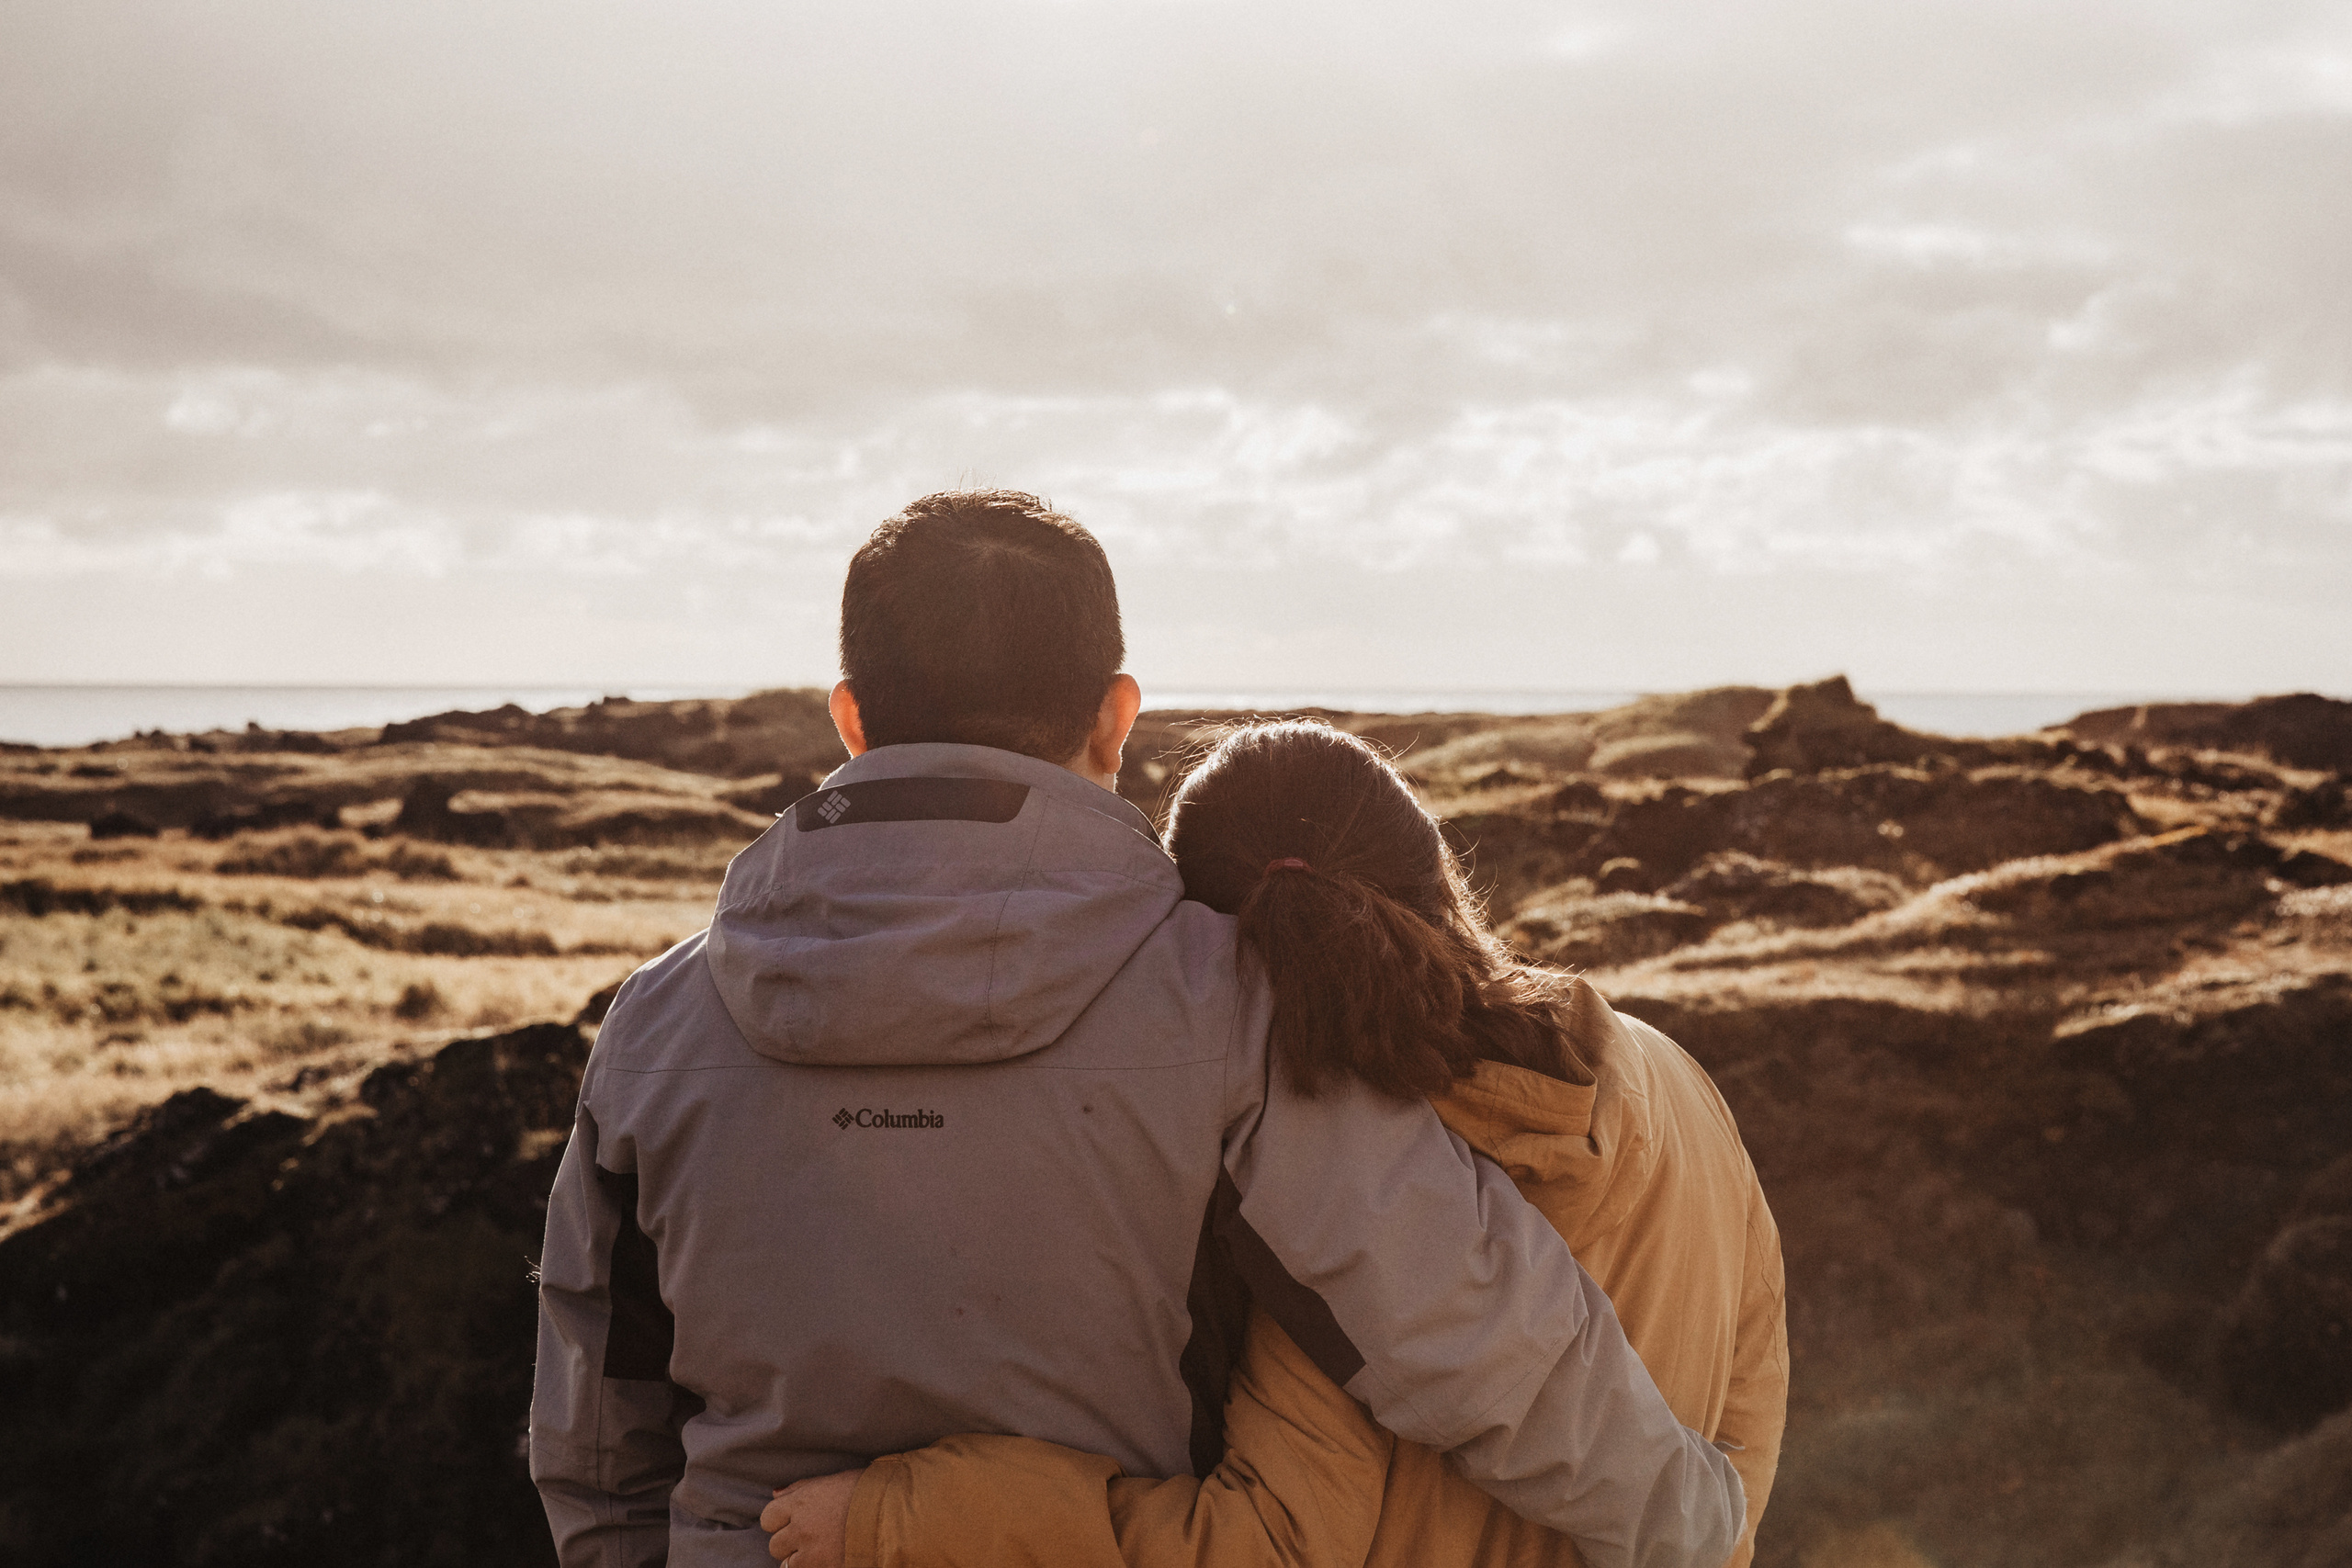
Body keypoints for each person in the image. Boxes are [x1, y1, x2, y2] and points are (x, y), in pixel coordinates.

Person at [530, 491, 1744, 1568]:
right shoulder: (1230, 1001)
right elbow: (1466, 1326)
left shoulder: (653, 1025)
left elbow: (593, 1434)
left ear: (852, 716)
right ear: (1117, 717)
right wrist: (1694, 1513)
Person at [762, 720, 1788, 1568]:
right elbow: (1746, 1408)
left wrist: (905, 1520)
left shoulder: (1332, 1190)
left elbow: (1267, 1547)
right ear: (1435, 871)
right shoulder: (1669, 1075)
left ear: (1208, 954)